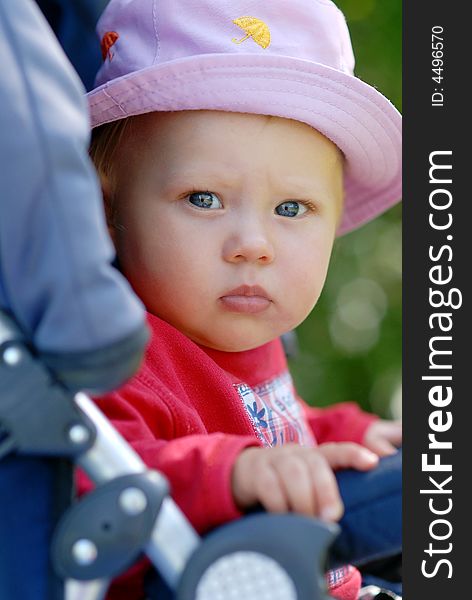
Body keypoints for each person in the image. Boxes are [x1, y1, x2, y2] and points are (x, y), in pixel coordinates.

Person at [81, 0, 403, 598]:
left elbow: (281, 427)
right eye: (204, 199)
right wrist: (232, 475)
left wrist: (350, 436)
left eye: (290, 209)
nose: (252, 246)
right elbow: (95, 487)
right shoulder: (121, 359)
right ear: (106, 211)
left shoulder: (247, 345)